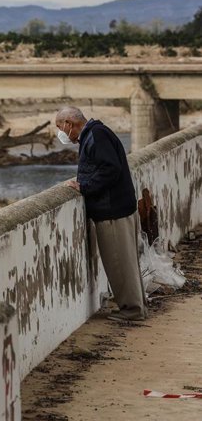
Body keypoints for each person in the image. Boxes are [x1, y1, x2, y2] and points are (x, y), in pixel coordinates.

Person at [55, 106, 148, 321]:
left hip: (112, 211)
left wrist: (84, 186)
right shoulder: (95, 134)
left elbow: (110, 169)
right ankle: (136, 306)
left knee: (119, 263)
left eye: (60, 127)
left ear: (70, 124)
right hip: (117, 208)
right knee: (126, 262)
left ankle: (132, 310)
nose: (60, 132)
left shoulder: (96, 136)